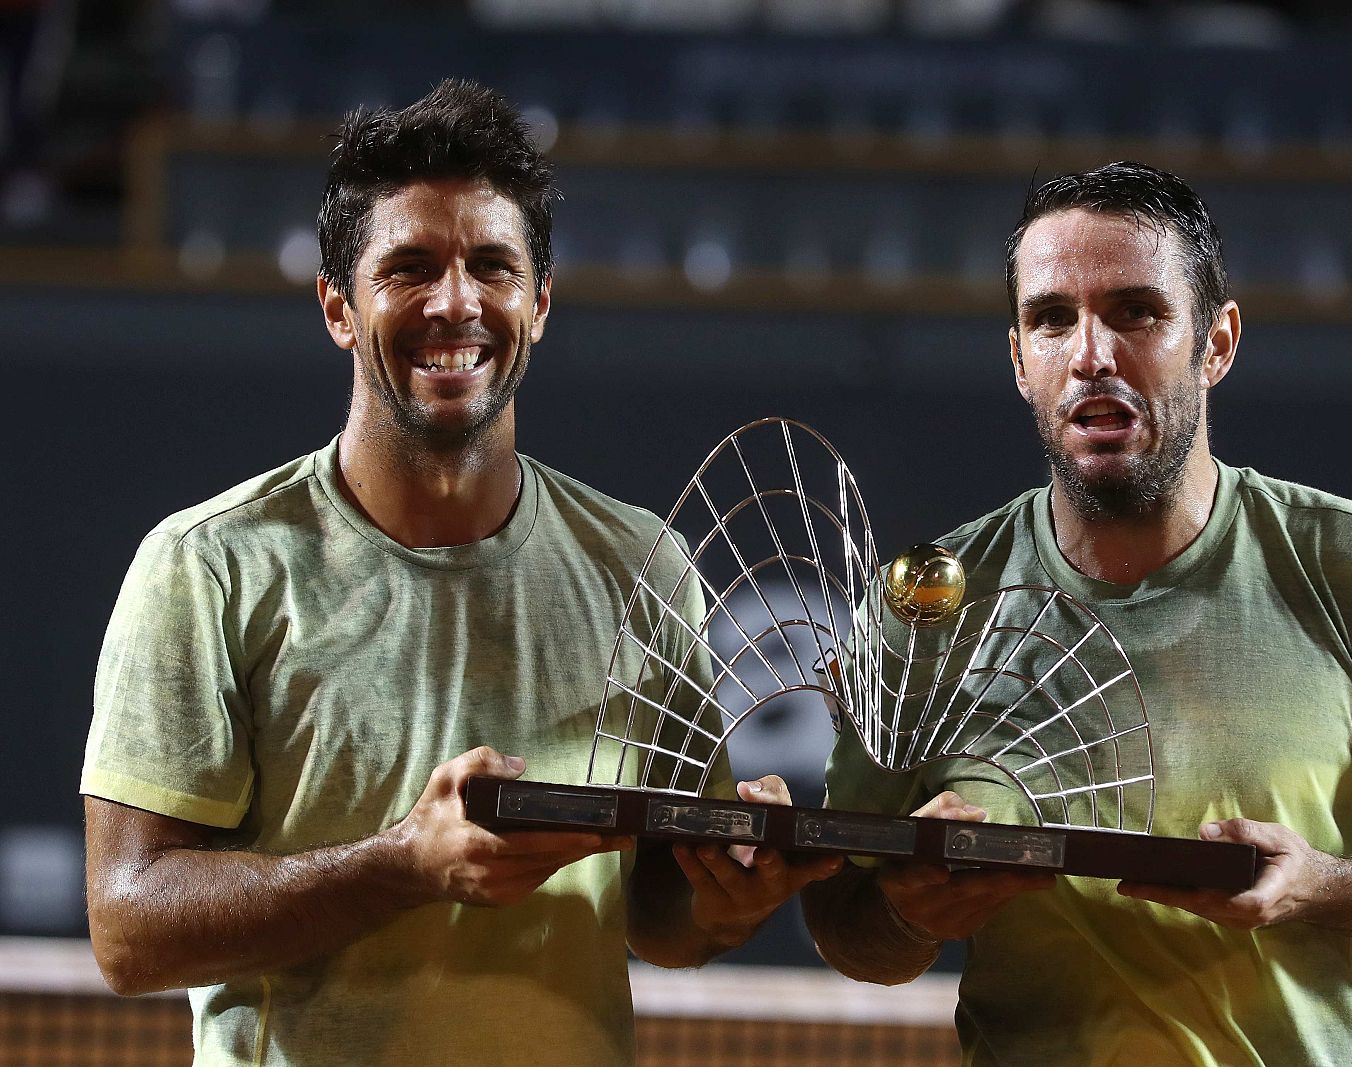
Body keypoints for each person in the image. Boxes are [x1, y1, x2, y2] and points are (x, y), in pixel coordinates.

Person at [82, 80, 838, 1067]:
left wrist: (726, 896)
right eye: (409, 267)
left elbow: (658, 913)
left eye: (491, 264)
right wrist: (401, 864)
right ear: (338, 310)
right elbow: (130, 929)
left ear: (539, 301)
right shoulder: (208, 565)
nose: (456, 301)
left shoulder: (641, 559)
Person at [801, 161, 1352, 1066]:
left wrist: (1319, 885)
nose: (1091, 353)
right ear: (1018, 359)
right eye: (1052, 318)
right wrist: (906, 909)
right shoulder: (928, 602)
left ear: (1217, 342)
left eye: (1136, 311)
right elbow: (846, 927)